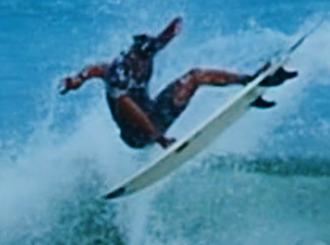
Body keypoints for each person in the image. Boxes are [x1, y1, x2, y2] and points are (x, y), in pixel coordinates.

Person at [59, 17, 295, 148]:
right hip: (138, 134)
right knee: (126, 103)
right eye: (136, 58)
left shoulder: (146, 54)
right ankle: (159, 137)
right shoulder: (118, 72)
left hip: (154, 115)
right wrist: (160, 139)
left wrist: (172, 29)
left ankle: (249, 81)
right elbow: (99, 73)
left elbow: (162, 40)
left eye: (144, 57)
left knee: (195, 76)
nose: (140, 62)